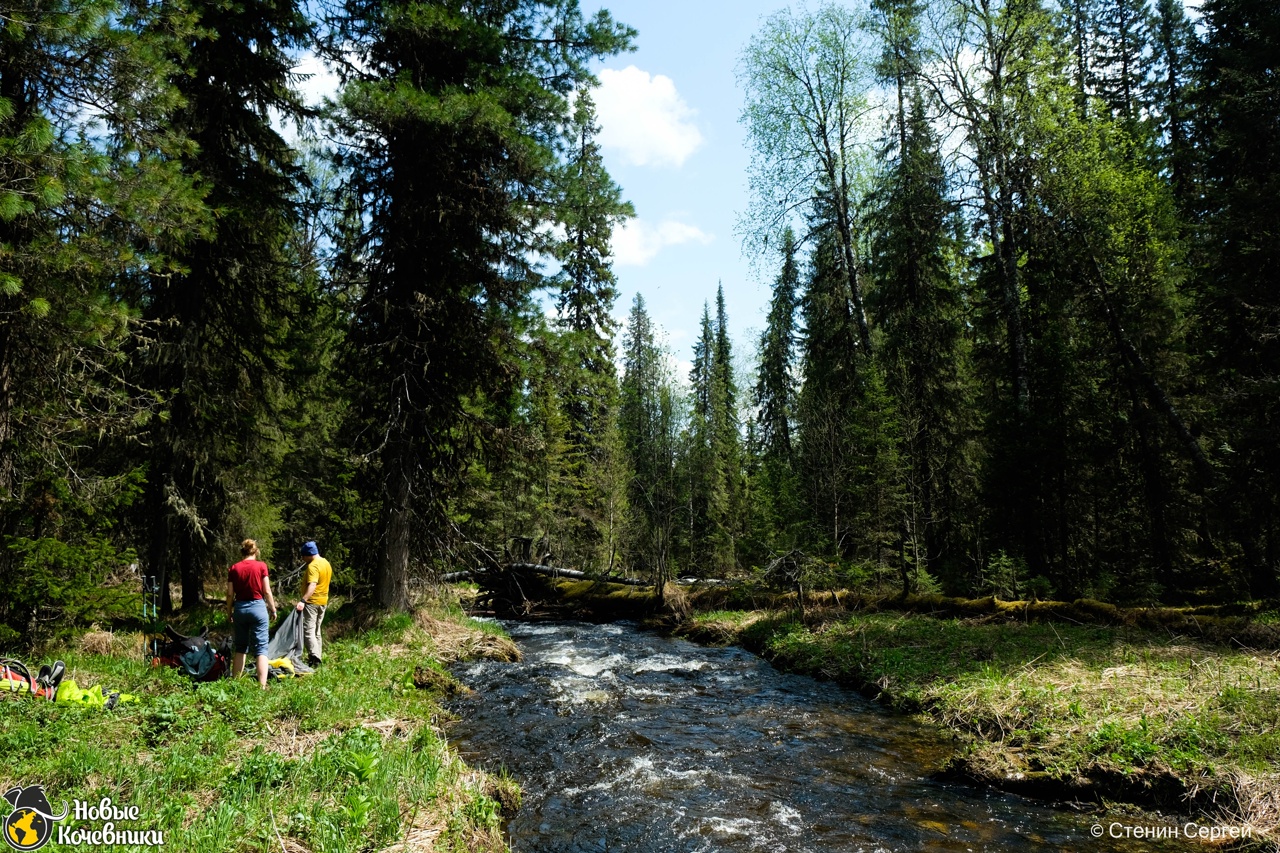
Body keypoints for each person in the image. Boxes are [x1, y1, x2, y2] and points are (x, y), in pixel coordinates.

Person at [226, 538, 278, 689]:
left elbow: (230, 594)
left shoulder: (234, 568)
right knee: (261, 648)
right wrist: (273, 609)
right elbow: (267, 591)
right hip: (258, 608)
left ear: (242, 552)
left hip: (240, 609)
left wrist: (229, 611)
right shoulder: (261, 566)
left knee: (241, 647)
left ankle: (235, 684)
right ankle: (262, 686)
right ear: (256, 551)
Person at [295, 541, 332, 667]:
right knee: (317, 631)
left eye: (303, 556)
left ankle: (315, 658)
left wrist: (303, 600)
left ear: (309, 554)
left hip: (312, 603)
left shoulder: (313, 566)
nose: (303, 559)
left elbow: (312, 585)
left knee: (308, 631)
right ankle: (318, 656)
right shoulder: (326, 563)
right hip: (323, 601)